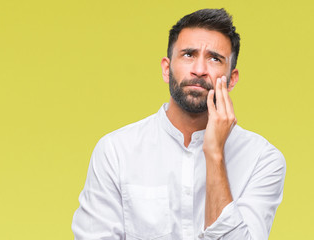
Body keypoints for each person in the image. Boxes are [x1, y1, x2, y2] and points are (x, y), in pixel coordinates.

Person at [72, 8, 286, 240]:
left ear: (232, 79)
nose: (200, 70)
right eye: (188, 54)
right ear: (166, 69)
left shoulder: (262, 160)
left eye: (215, 58)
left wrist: (214, 154)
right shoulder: (116, 152)